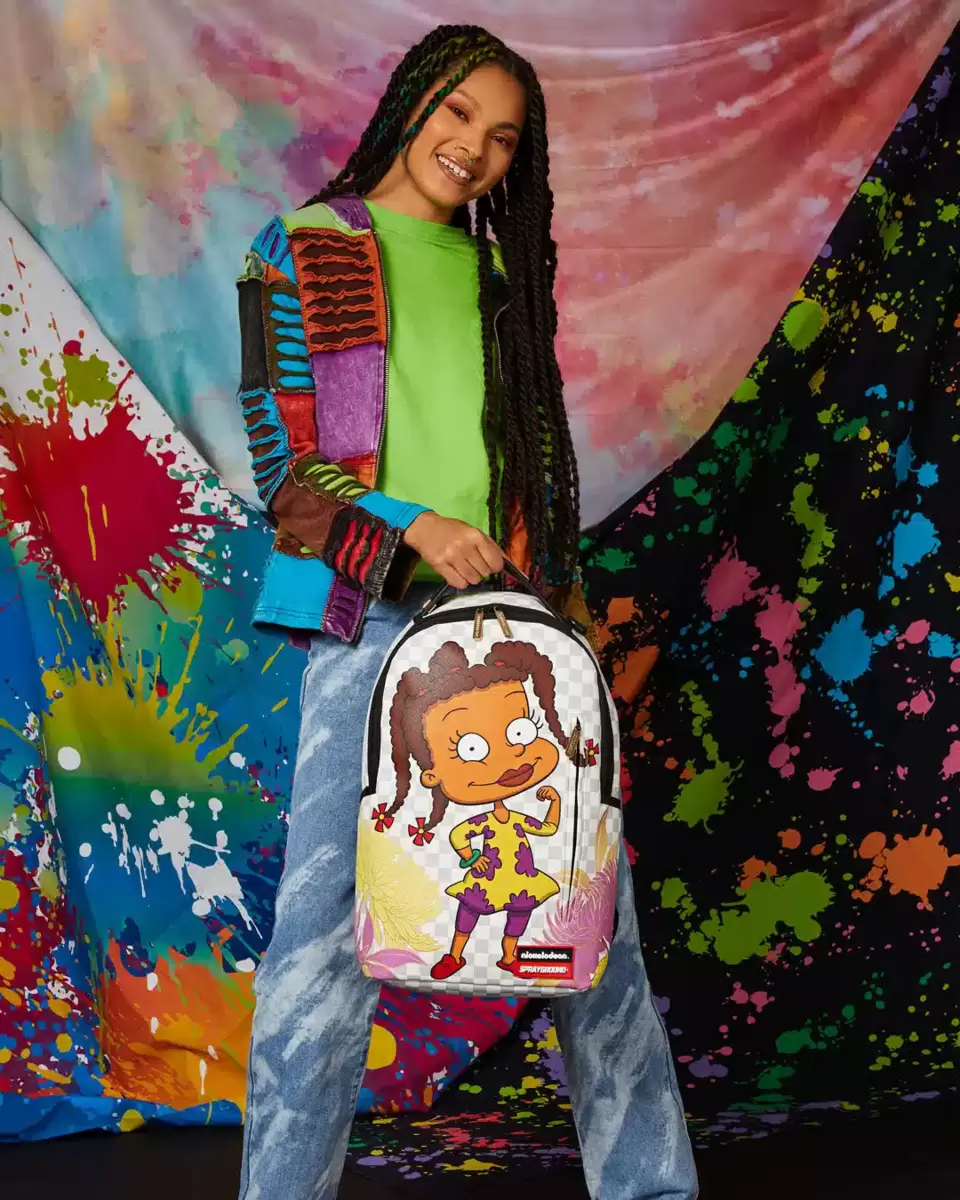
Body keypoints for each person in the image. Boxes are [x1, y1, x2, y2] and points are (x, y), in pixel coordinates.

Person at [235, 22, 698, 1200]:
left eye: (503, 139)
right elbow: (284, 476)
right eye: (458, 114)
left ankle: (651, 1188)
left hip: (515, 633)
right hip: (370, 628)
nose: (475, 148)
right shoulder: (304, 249)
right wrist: (414, 528)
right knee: (320, 949)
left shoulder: (500, 282)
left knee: (591, 929)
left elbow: (535, 481)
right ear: (412, 101)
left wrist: (563, 626)